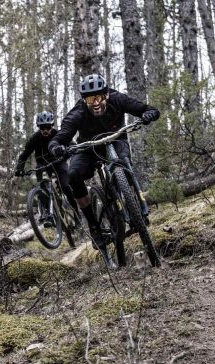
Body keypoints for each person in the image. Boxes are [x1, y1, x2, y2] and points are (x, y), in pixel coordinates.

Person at [48, 73, 160, 249]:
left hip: (116, 140)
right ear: (84, 100)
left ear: (106, 94)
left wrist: (149, 114)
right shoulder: (77, 113)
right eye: (90, 99)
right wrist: (55, 146)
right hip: (88, 148)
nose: (96, 103)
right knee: (73, 175)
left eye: (99, 97)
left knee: (123, 163)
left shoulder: (118, 99)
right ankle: (94, 226)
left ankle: (135, 208)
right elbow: (61, 136)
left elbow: (147, 109)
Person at [14, 111, 79, 220]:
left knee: (66, 186)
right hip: (42, 164)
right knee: (41, 186)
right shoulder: (34, 139)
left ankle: (76, 214)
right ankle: (46, 213)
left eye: (48, 128)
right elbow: (24, 155)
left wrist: (69, 151)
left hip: (58, 162)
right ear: (38, 127)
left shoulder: (58, 134)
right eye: (42, 128)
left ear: (52, 126)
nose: (45, 131)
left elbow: (72, 145)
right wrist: (19, 168)